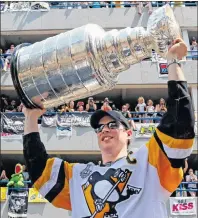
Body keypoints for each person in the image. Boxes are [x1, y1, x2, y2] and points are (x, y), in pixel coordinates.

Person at [23, 38, 195, 218]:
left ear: (128, 133)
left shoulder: (148, 162)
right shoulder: (78, 175)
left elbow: (180, 124)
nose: (104, 130)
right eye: (99, 128)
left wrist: (173, 61)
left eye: (112, 125)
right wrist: (31, 117)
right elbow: (40, 171)